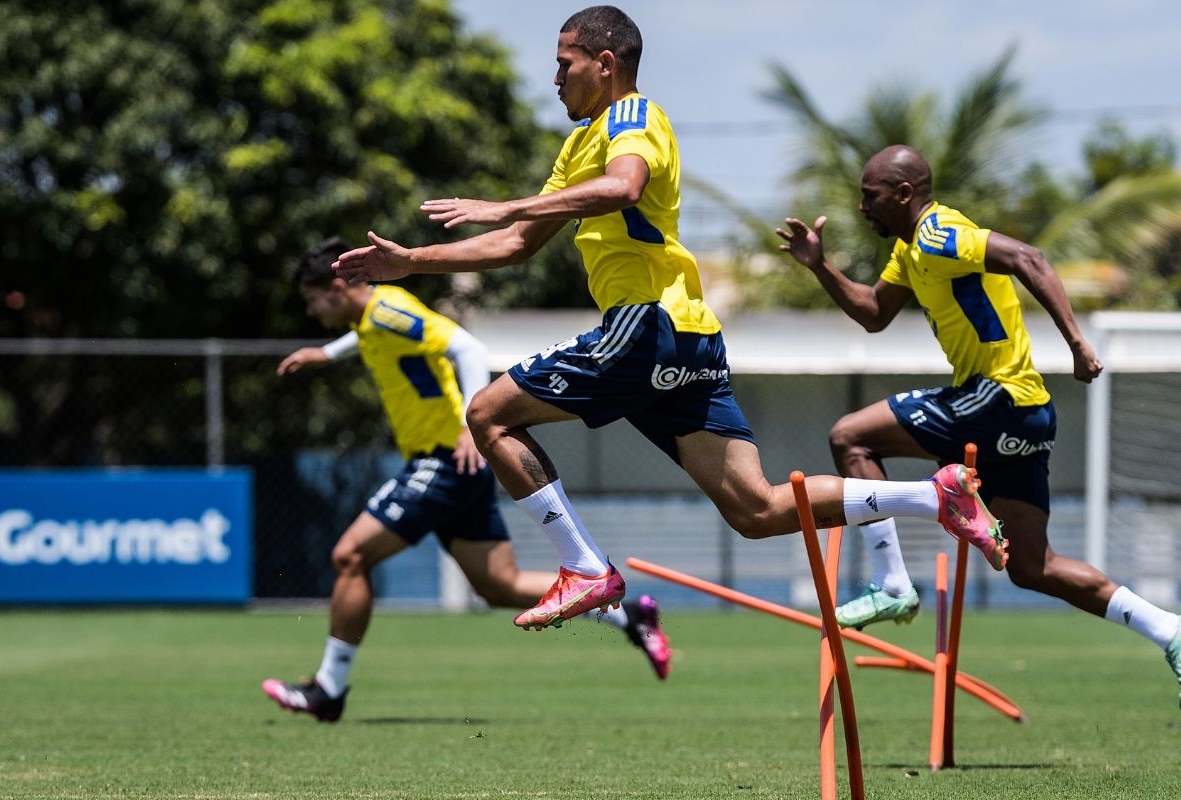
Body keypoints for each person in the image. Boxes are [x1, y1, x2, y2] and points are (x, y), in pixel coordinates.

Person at [332, 6, 1004, 635]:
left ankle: (587, 568)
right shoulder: (578, 148)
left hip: (644, 326)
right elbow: (517, 244)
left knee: (487, 415)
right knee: (758, 511)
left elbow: (623, 186)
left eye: (564, 63)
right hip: (686, 341)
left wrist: (503, 204)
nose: (555, 77)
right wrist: (413, 259)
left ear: (604, 62)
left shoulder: (630, 114)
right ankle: (934, 496)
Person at [777, 144, 1181, 705]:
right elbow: (873, 312)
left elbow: (1030, 258)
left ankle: (893, 582)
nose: (862, 207)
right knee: (1032, 567)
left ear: (903, 194)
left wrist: (1078, 344)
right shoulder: (909, 251)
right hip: (1028, 415)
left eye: (870, 197)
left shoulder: (940, 233)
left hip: (996, 399)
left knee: (851, 436)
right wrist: (819, 265)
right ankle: (1170, 630)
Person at [261, 237, 673, 723]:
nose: (312, 312)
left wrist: (467, 423)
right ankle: (630, 617)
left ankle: (328, 688)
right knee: (500, 586)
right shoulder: (373, 320)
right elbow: (367, 336)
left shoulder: (387, 310)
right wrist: (325, 355)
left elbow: (465, 346)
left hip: (442, 461)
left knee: (349, 556)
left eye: (312, 301)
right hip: (462, 470)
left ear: (336, 287)